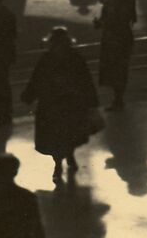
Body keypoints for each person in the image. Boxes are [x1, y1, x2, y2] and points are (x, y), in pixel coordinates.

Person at [21, 27, 99, 183]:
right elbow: (86, 82)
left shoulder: (46, 58)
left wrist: (28, 96)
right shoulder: (76, 58)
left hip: (51, 105)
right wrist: (92, 103)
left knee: (54, 136)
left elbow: (36, 80)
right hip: (72, 103)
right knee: (70, 133)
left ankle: (58, 165)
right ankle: (70, 156)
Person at [95, 0, 134, 111]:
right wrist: (99, 23)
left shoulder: (111, 7)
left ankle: (118, 99)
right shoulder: (115, 6)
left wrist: (100, 24)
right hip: (117, 40)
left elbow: (109, 22)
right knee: (118, 70)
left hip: (115, 40)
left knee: (116, 70)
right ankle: (117, 99)